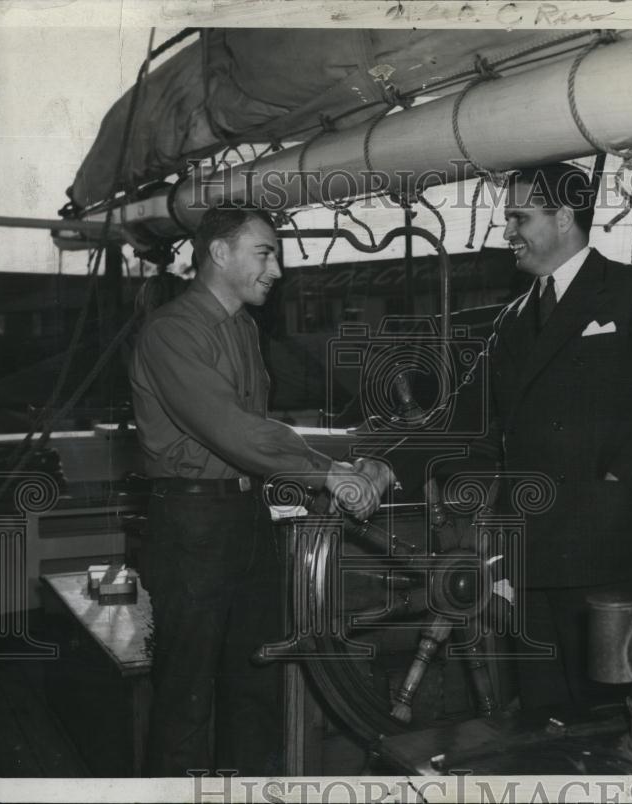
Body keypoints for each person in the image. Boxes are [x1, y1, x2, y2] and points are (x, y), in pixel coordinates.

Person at [129, 205, 392, 776]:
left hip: (247, 517)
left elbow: (258, 439)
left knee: (257, 680)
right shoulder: (173, 332)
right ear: (219, 254)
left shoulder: (245, 329)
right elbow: (233, 428)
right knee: (187, 695)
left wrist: (327, 471)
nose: (277, 270)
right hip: (192, 524)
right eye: (265, 253)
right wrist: (328, 474)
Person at [485, 162, 632, 713]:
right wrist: (381, 462)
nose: (507, 230)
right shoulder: (513, 318)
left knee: (608, 717)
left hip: (605, 549)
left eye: (519, 216)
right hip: (530, 556)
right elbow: (468, 415)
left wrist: (614, 483)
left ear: (563, 217)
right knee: (539, 715)